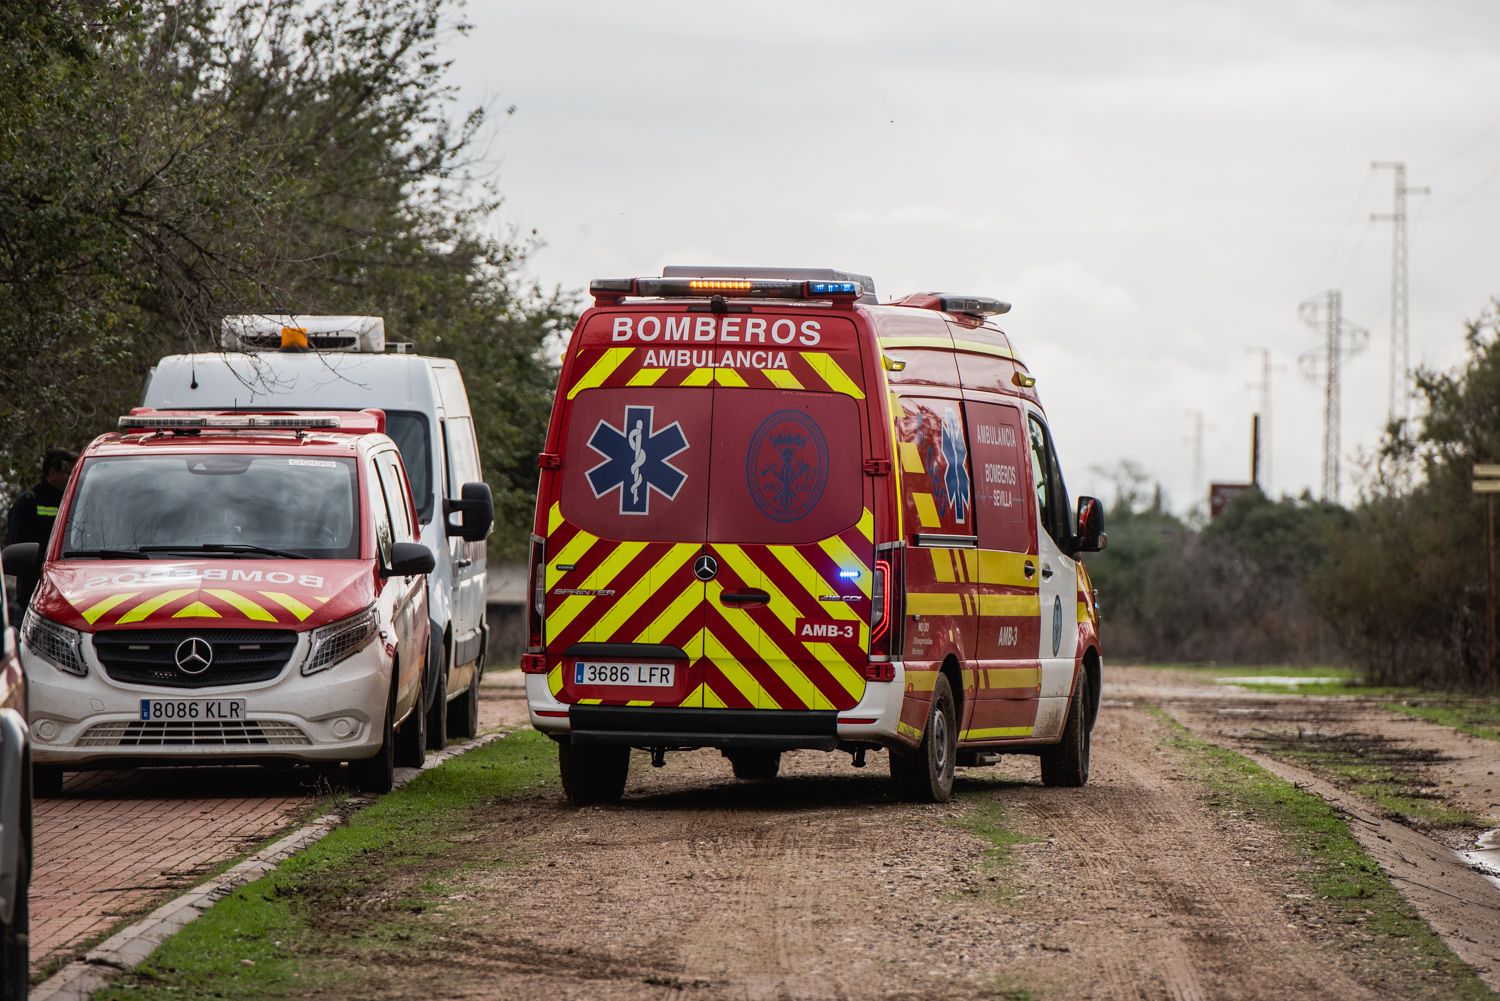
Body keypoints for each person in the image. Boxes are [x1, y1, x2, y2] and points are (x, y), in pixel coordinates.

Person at [5, 446, 77, 610]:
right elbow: (16, 543)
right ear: (53, 472)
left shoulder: (74, 501)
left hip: (71, 588)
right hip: (34, 590)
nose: (72, 479)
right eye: (68, 473)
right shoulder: (28, 501)